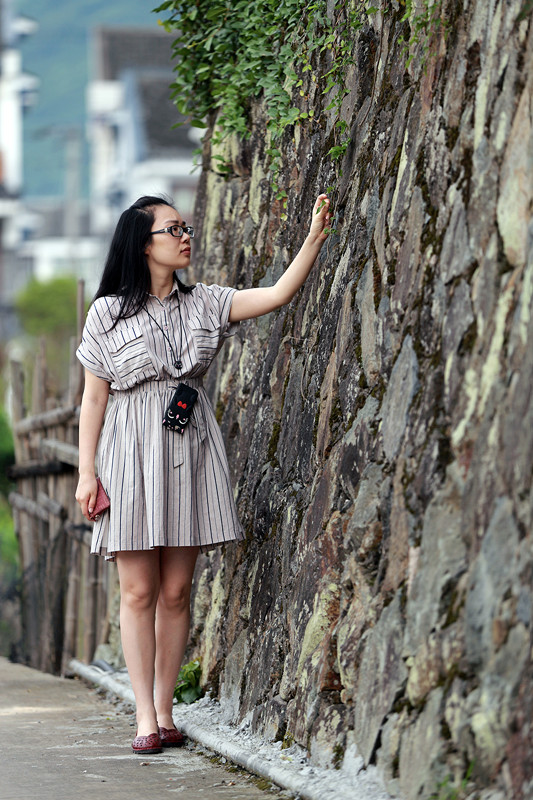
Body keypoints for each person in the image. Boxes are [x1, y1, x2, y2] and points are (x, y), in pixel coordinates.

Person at [75, 192, 331, 755]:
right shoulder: (108, 313)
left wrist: (313, 237)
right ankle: (143, 714)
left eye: (185, 227)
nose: (185, 236)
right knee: (138, 590)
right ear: (143, 245)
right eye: (172, 230)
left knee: (177, 589)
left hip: (187, 447)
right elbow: (93, 401)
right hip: (128, 454)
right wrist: (87, 473)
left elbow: (277, 294)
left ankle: (167, 708)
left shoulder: (206, 304)